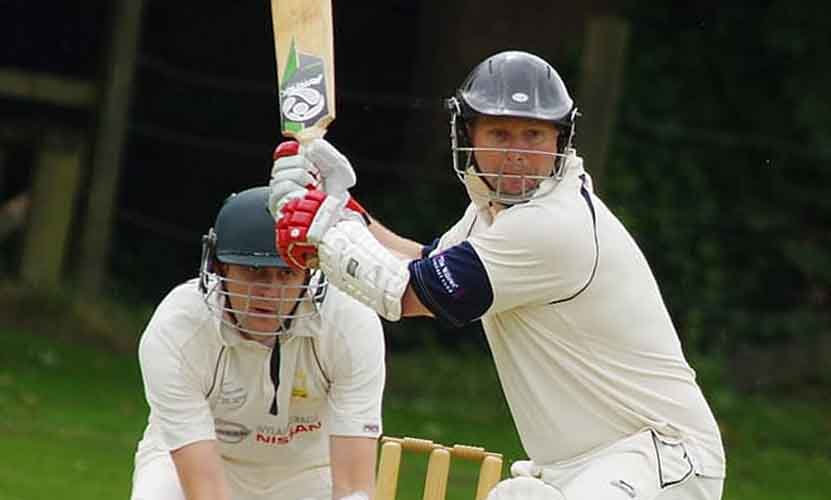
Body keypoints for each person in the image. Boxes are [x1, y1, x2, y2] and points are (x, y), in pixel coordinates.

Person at [269, 51, 726, 500]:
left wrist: (321, 232)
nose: (517, 154)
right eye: (500, 133)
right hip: (578, 468)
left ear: (560, 140)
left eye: (533, 135)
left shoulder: (552, 224)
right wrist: (344, 211)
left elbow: (407, 294)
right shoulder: (493, 214)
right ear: (467, 134)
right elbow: (423, 264)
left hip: (654, 455)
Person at [130, 186, 385, 500]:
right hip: (196, 462)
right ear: (219, 266)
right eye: (253, 270)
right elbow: (205, 489)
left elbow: (354, 483)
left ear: (309, 273)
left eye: (286, 273)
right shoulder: (178, 328)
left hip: (312, 471)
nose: (269, 291)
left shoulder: (349, 322)